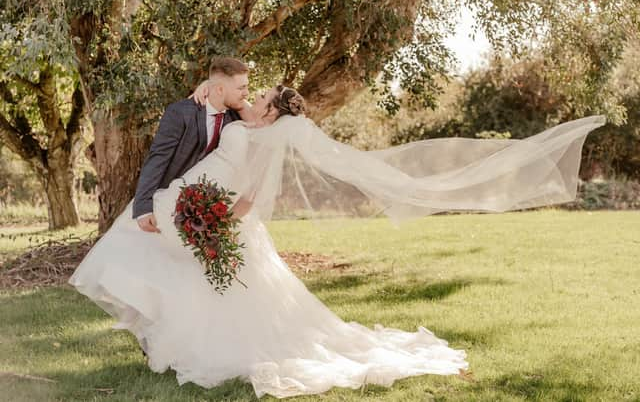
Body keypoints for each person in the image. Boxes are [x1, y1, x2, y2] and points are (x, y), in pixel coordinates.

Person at [69, 82, 605, 398]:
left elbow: (251, 197)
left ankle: (177, 340)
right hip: (195, 206)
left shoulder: (269, 134)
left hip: (222, 219)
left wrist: (216, 222)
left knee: (216, 291)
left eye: (259, 97)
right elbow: (220, 108)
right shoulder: (245, 121)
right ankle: (153, 331)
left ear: (274, 111)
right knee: (148, 251)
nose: (251, 99)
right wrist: (207, 93)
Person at [133, 56, 252, 233]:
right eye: (241, 87)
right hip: (167, 201)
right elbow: (157, 159)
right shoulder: (181, 113)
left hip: (206, 210)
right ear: (219, 89)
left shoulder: (236, 117)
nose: (247, 93)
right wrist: (143, 207)